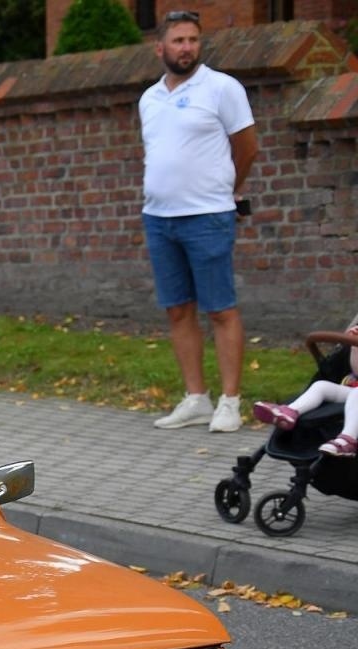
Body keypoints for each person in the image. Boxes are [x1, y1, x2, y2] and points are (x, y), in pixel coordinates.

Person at [139, 10, 258, 433]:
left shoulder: (222, 89)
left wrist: (226, 188)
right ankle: (196, 399)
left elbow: (246, 147)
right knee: (177, 310)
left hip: (208, 215)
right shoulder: (149, 99)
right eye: (178, 41)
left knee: (220, 309)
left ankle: (230, 401)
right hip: (158, 217)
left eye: (192, 40)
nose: (186, 47)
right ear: (160, 48)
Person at [251, 334, 358, 458]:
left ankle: (348, 440)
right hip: (351, 390)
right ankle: (289, 412)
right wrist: (354, 346)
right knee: (321, 385)